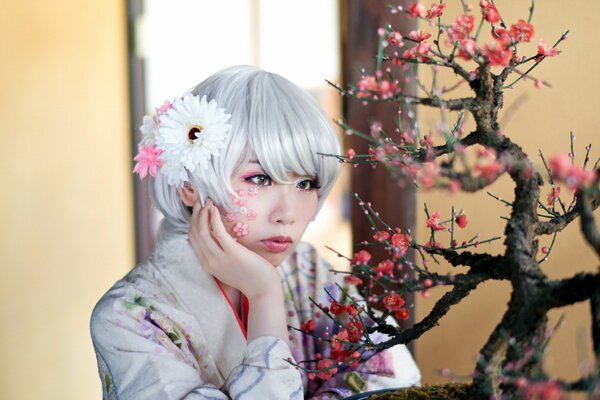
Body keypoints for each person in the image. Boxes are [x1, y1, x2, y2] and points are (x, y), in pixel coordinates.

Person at [90, 65, 420, 400]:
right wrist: (265, 295)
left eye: (306, 183)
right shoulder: (128, 316)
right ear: (189, 186)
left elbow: (392, 373)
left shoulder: (305, 269)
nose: (287, 214)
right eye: (260, 179)